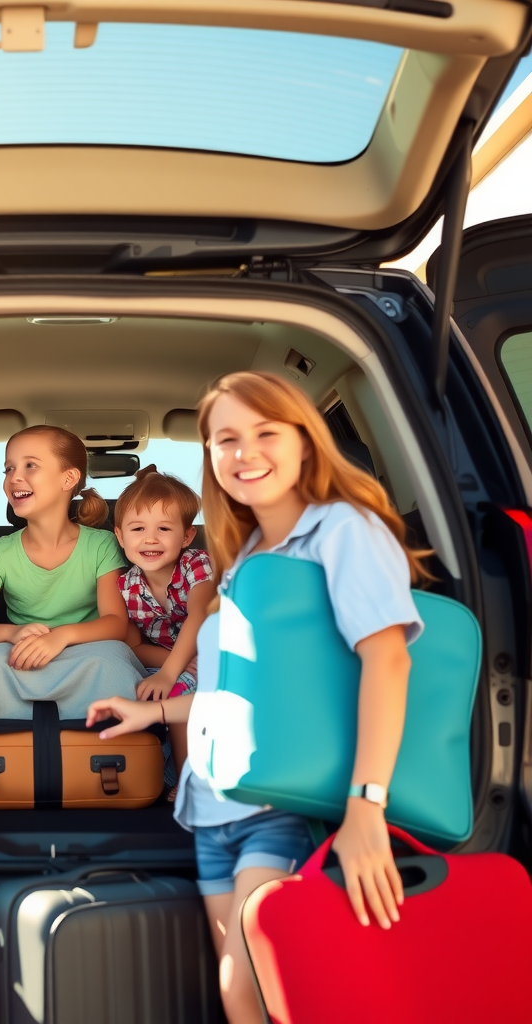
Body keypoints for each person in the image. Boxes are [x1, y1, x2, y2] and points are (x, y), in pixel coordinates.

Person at [86, 371, 428, 1024]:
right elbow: (237, 692)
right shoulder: (241, 556)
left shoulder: (342, 529)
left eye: (266, 433)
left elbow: (388, 661)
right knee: (240, 994)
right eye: (225, 439)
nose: (245, 453)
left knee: (274, 986)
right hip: (214, 810)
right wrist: (153, 712)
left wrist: (365, 809)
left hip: (284, 802)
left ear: (306, 439)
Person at [0, 425, 143, 719]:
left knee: (113, 664)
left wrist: (61, 637)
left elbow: (115, 624)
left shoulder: (101, 545)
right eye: (8, 468)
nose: (14, 476)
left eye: (31, 465)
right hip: (20, 656)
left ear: (68, 478)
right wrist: (13, 633)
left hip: (86, 653)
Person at [113, 465, 216, 795]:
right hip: (173, 663)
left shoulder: (196, 565)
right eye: (138, 528)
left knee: (175, 691)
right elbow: (131, 644)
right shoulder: (126, 587)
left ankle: (190, 779)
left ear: (186, 536)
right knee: (136, 692)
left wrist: (170, 674)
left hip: (218, 655)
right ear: (120, 536)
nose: (150, 538)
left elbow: (199, 616)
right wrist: (174, 665)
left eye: (164, 528)